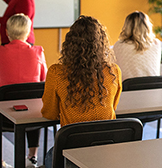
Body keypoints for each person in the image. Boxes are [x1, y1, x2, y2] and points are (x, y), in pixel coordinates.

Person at [41, 16, 122, 168]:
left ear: (70, 43)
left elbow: (49, 114)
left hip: (72, 149)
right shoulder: (113, 72)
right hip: (106, 149)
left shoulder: (56, 73)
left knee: (48, 158)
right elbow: (112, 107)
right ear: (101, 43)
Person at [0, 13, 47, 168]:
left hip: (3, 114)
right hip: (32, 115)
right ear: (29, 31)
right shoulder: (38, 51)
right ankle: (32, 158)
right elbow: (43, 78)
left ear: (7, 32)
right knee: (33, 105)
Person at [113, 11, 162, 80]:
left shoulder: (118, 45)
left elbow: (115, 70)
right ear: (147, 26)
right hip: (154, 87)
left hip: (129, 88)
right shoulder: (156, 43)